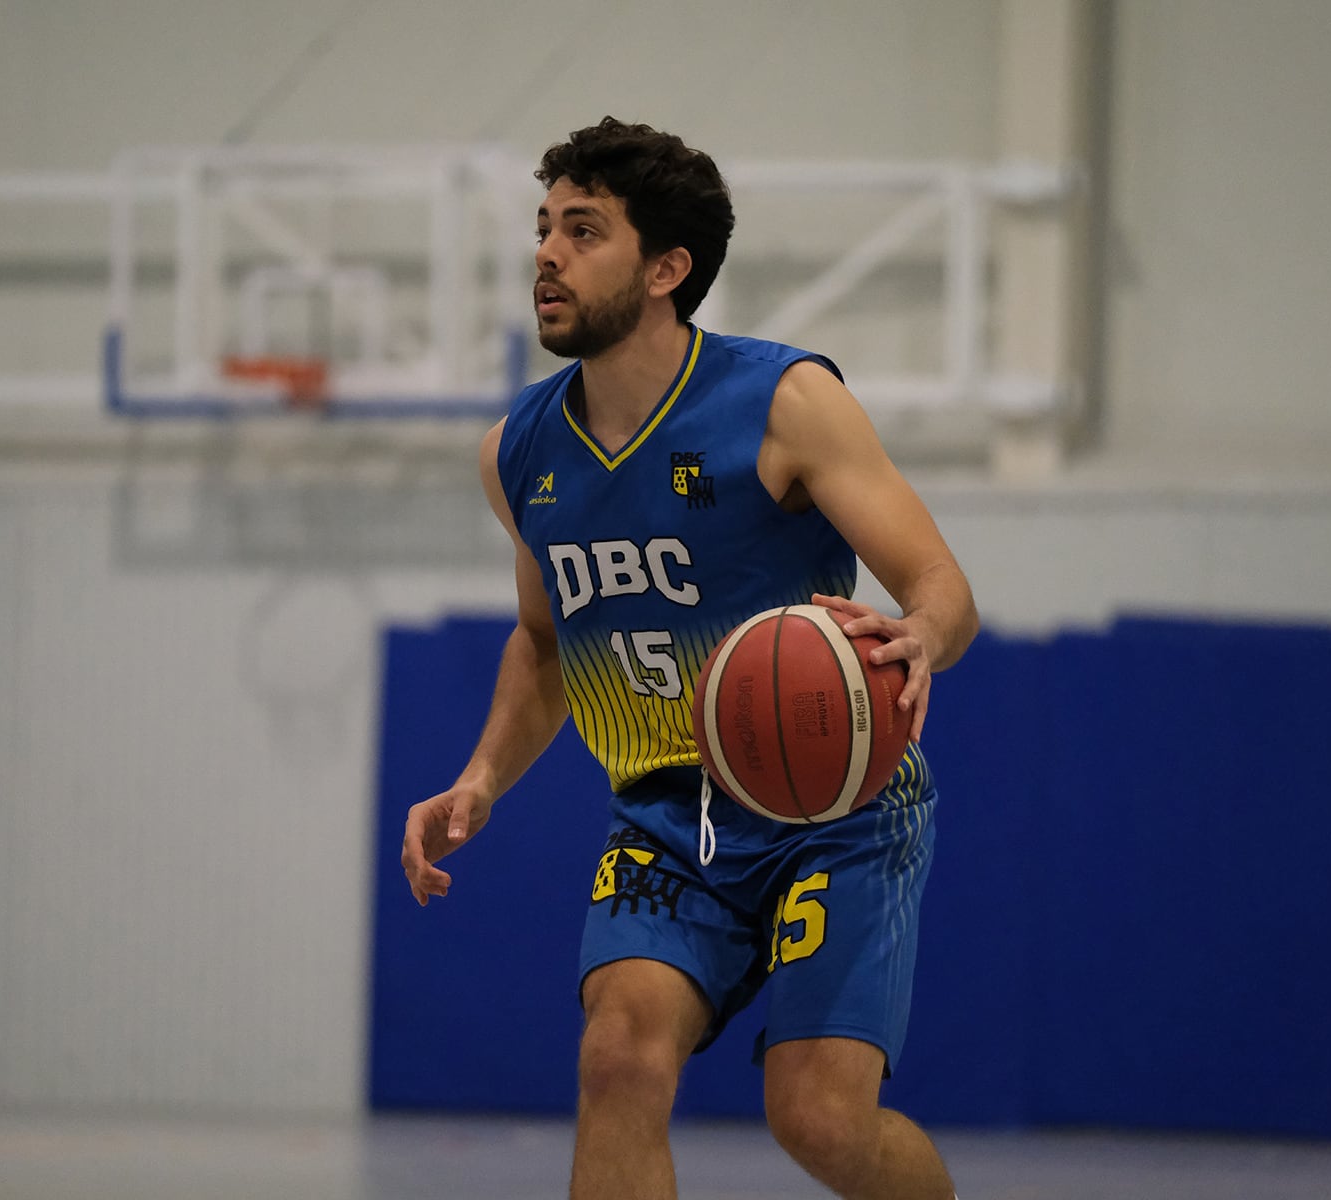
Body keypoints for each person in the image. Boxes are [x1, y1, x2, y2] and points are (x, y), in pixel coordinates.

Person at [401, 117, 978, 1200]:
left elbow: (941, 585)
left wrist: (923, 634)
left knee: (817, 1117)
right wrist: (478, 779)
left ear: (667, 269)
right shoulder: (517, 450)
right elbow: (543, 642)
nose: (546, 255)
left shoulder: (783, 401)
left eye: (583, 231)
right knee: (618, 1059)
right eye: (543, 229)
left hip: (839, 813)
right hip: (669, 817)